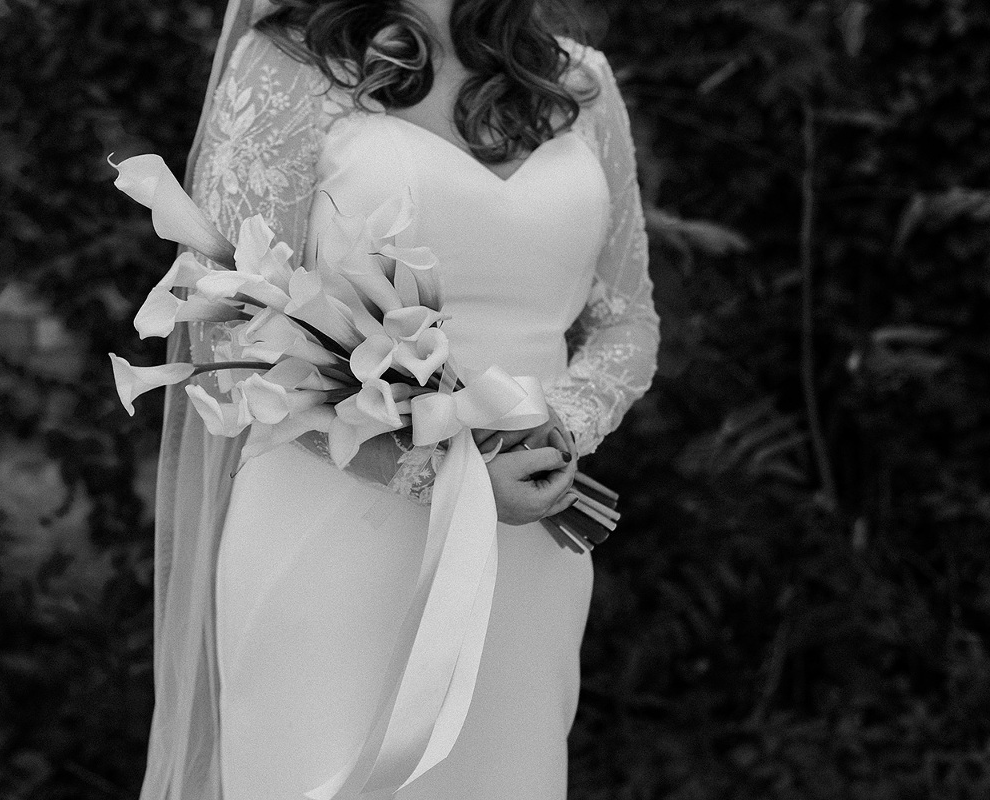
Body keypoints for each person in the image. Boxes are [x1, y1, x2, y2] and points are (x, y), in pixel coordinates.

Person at [140, 1, 660, 798]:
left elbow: (627, 319)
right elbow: (224, 320)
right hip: (333, 527)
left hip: (526, 540)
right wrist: (440, 473)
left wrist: (563, 425)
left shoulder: (579, 81)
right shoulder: (288, 64)